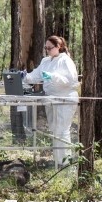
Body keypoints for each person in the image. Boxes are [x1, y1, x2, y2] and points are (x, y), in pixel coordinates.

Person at [23, 35, 79, 167]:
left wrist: (53, 77)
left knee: (63, 130)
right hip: (50, 98)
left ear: (59, 47)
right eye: (46, 48)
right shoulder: (45, 61)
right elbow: (36, 75)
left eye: (50, 48)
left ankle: (66, 163)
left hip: (65, 98)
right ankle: (58, 162)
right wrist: (25, 76)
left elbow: (71, 81)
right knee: (55, 130)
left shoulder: (65, 60)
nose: (47, 50)